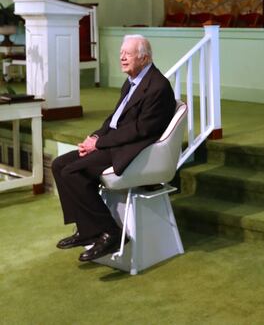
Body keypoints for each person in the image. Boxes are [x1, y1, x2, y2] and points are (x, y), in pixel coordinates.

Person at [52, 34, 176, 262]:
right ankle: (86, 229)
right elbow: (114, 119)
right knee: (59, 164)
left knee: (72, 172)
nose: (122, 58)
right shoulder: (132, 82)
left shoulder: (158, 87)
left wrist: (100, 143)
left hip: (133, 150)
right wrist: (95, 137)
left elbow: (140, 130)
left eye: (127, 54)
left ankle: (111, 232)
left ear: (144, 57)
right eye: (121, 53)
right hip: (114, 143)